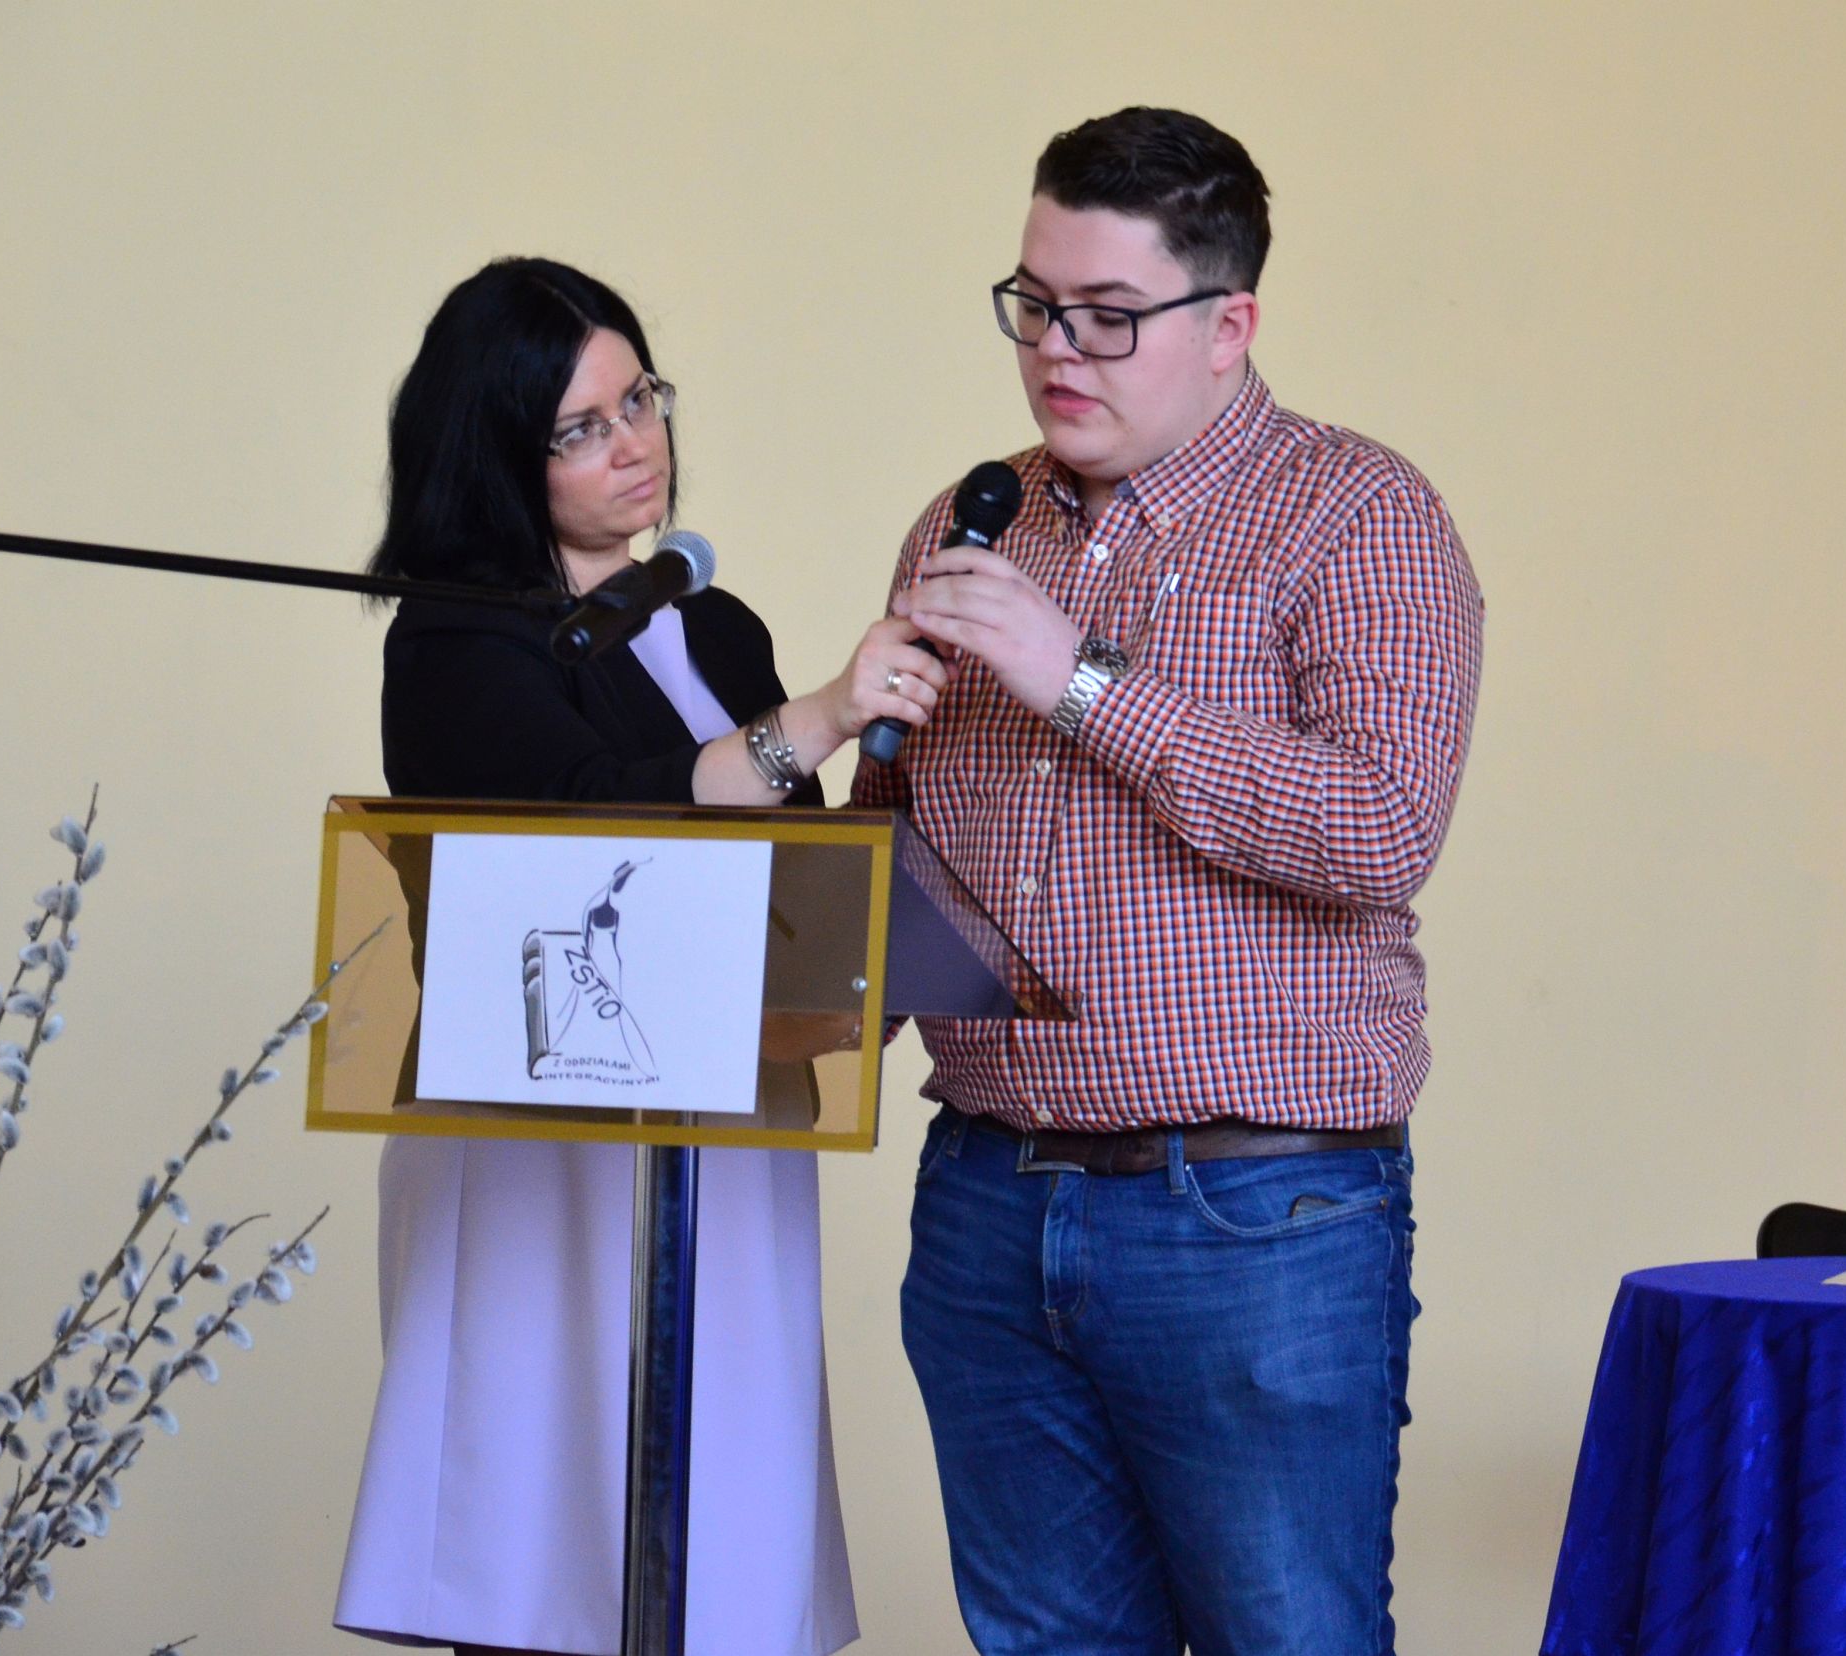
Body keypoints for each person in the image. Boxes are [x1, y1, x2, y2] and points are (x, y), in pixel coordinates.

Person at [851, 109, 1485, 1655]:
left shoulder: (1359, 515)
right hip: (990, 1204)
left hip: (1251, 1214)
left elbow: (1377, 827)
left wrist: (1077, 680)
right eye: (1033, 304)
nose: (1056, 350)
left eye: (1108, 316)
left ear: (1229, 325)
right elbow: (899, 857)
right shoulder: (971, 521)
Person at [334, 257, 943, 1656]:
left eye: (641, 399)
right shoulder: (457, 637)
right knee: (547, 1546)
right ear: (500, 456)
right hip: (543, 1133)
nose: (636, 444)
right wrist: (824, 712)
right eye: (583, 427)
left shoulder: (717, 627)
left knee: (717, 1536)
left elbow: (786, 878)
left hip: (726, 1110)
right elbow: (599, 816)